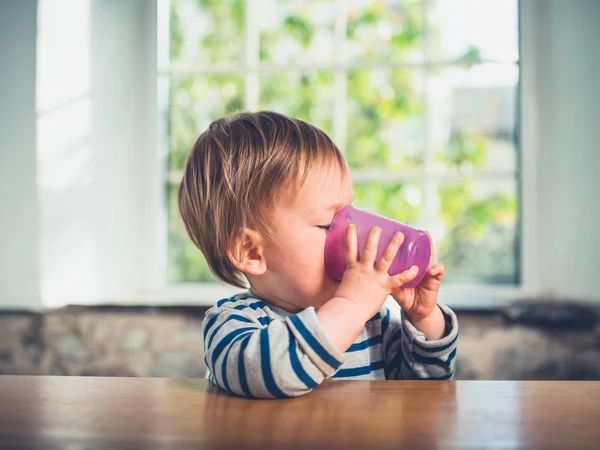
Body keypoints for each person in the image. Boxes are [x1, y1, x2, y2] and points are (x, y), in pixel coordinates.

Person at [178, 111, 458, 399]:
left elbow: (428, 388)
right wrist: (350, 306)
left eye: (350, 215)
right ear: (251, 252)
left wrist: (425, 319)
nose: (350, 235)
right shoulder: (232, 325)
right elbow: (275, 375)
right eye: (328, 224)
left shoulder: (374, 322)